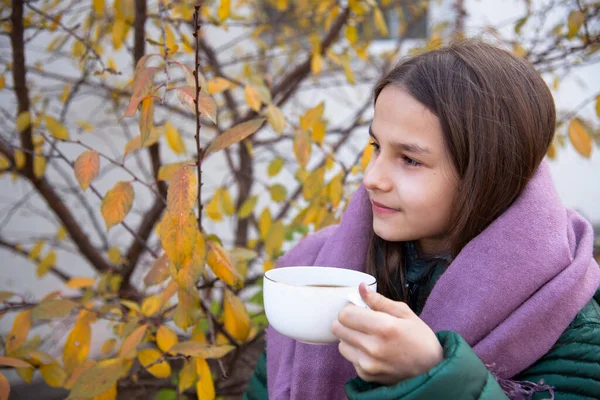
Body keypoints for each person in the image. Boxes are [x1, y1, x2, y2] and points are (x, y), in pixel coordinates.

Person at [243, 39, 600, 400]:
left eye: (410, 160)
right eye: (377, 148)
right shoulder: (317, 269)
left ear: (488, 173)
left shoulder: (564, 313)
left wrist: (433, 375)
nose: (372, 179)